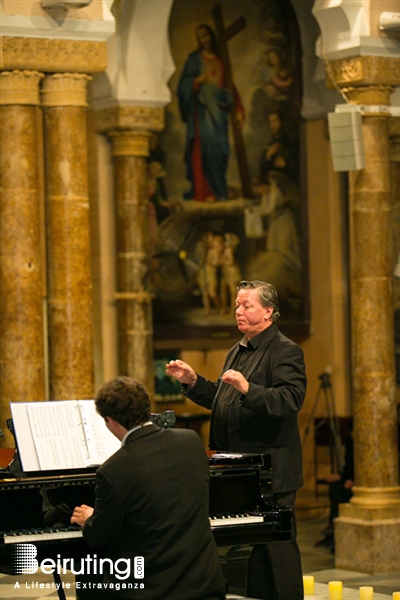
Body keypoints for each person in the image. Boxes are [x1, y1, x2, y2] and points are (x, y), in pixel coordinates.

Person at [166, 280, 307, 600]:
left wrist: (248, 389)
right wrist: (193, 382)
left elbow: (290, 399)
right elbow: (223, 398)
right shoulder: (237, 349)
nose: (238, 311)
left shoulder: (286, 350)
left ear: (268, 311)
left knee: (277, 549)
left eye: (247, 306)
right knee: (247, 551)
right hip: (238, 468)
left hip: (272, 468)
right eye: (237, 306)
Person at [71, 376, 226, 600]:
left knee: (92, 578)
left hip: (151, 592)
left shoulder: (113, 469)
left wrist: (89, 520)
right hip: (203, 583)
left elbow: (100, 536)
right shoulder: (191, 442)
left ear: (111, 421)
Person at [177, 23, 243, 202]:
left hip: (219, 115)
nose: (205, 40)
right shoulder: (194, 60)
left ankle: (219, 189)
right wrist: (197, 81)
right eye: (201, 37)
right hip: (203, 115)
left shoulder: (221, 61)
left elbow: (230, 87)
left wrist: (238, 109)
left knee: (221, 151)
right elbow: (183, 87)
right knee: (206, 150)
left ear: (212, 35)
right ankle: (207, 192)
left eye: (206, 35)